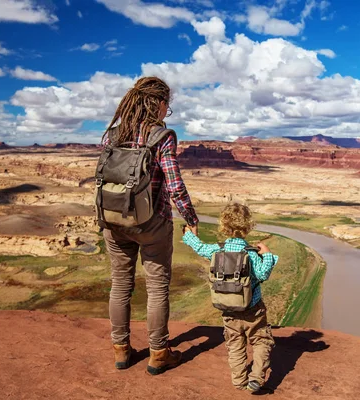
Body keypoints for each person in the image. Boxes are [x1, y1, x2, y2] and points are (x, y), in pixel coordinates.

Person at [101, 77, 199, 375]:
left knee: (120, 284)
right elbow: (174, 183)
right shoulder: (161, 136)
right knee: (157, 288)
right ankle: (158, 353)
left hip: (113, 220)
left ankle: (121, 350)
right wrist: (190, 218)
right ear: (157, 103)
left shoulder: (111, 136)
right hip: (152, 223)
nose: (167, 110)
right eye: (167, 104)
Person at [182, 203, 278, 393]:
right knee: (261, 341)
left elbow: (199, 247)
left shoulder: (215, 250)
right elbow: (262, 275)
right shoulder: (251, 254)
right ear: (248, 226)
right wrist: (267, 255)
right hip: (253, 308)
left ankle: (239, 381)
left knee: (235, 344)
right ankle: (256, 379)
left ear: (223, 226)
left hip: (227, 309)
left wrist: (188, 235)